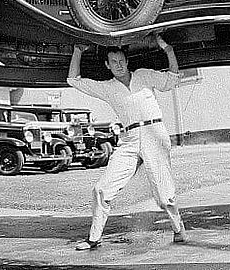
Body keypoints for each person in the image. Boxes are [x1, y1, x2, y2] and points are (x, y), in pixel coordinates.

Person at [67, 35, 187, 250]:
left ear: (127, 61)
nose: (119, 65)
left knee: (163, 194)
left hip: (154, 134)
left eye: (121, 60)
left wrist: (168, 49)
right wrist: (77, 50)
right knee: (101, 189)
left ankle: (178, 229)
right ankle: (93, 238)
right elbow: (73, 80)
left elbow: (172, 79)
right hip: (130, 139)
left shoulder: (143, 76)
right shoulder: (107, 88)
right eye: (113, 62)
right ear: (107, 65)